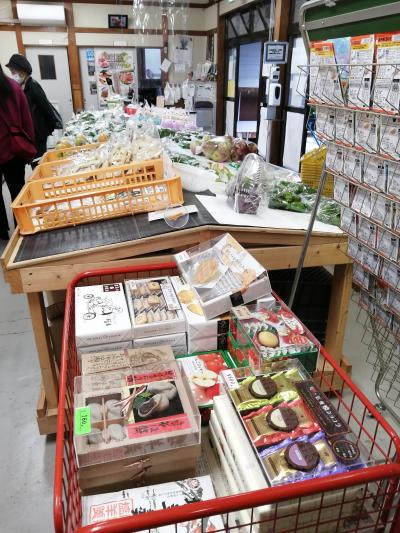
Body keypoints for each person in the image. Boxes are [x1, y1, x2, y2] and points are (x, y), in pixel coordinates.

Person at [6, 53, 62, 168]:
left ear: (22, 70)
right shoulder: (24, 86)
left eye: (13, 71)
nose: (12, 75)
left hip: (39, 134)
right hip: (33, 134)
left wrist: (48, 129)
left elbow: (46, 109)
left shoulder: (33, 86)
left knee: (38, 164)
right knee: (36, 162)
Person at [0, 64, 35, 240]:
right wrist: (30, 146)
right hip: (14, 150)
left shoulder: (13, 87)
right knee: (17, 192)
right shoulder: (13, 88)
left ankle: (2, 232)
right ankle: (21, 229)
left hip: (9, 149)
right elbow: (26, 120)